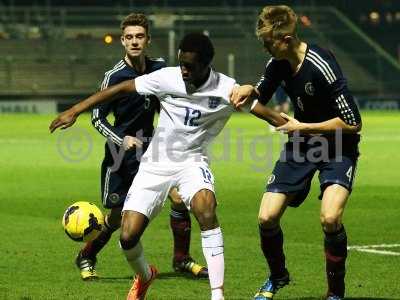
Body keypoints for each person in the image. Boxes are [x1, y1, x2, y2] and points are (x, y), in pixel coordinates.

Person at [50, 32, 285, 300]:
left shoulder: (226, 88)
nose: (183, 70)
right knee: (127, 237)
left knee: (206, 209)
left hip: (193, 162)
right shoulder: (167, 78)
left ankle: (217, 294)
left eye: (190, 66)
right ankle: (145, 275)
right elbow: (120, 89)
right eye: (181, 63)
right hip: (155, 164)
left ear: (207, 64)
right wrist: (74, 111)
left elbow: (267, 114)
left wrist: (303, 129)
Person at [230, 5, 362, 300]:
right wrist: (248, 90)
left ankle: (335, 293)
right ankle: (278, 277)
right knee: (266, 217)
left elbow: (353, 122)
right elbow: (260, 95)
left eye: (268, 42)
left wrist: (305, 127)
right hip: (303, 145)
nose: (265, 47)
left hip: (339, 146)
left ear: (286, 39)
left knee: (330, 218)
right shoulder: (276, 63)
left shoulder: (322, 63)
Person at [75, 13, 207, 281]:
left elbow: (170, 103)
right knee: (115, 219)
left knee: (179, 198)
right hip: (120, 155)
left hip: (153, 151)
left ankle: (181, 259)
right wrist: (120, 139)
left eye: (140, 37)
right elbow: (97, 118)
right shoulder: (113, 77)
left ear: (148, 40)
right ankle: (87, 254)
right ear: (123, 41)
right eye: (129, 37)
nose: (135, 42)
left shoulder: (159, 68)